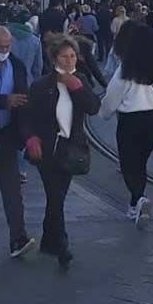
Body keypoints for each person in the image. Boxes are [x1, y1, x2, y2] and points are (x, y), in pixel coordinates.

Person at [20, 34, 101, 269]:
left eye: (73, 56)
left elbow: (94, 108)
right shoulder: (41, 85)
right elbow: (27, 117)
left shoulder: (81, 80)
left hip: (71, 149)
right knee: (55, 196)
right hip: (47, 150)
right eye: (64, 56)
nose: (69, 61)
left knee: (58, 197)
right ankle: (62, 245)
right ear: (54, 57)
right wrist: (30, 137)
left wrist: (78, 89)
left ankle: (49, 240)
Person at [99, 21, 153, 226]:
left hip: (130, 120)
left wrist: (104, 113)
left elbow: (112, 96)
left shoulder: (126, 69)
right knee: (141, 162)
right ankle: (136, 205)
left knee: (127, 163)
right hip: (152, 120)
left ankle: (138, 198)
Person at [0, 25, 35, 258]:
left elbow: (24, 99)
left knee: (12, 189)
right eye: (0, 46)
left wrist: (27, 134)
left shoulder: (18, 66)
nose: (4, 50)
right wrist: (4, 101)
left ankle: (18, 237)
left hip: (5, 136)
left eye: (7, 46)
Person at [4, 5, 42, 84]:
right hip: (27, 83)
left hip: (4, 85)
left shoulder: (1, 36)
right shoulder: (34, 40)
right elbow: (37, 68)